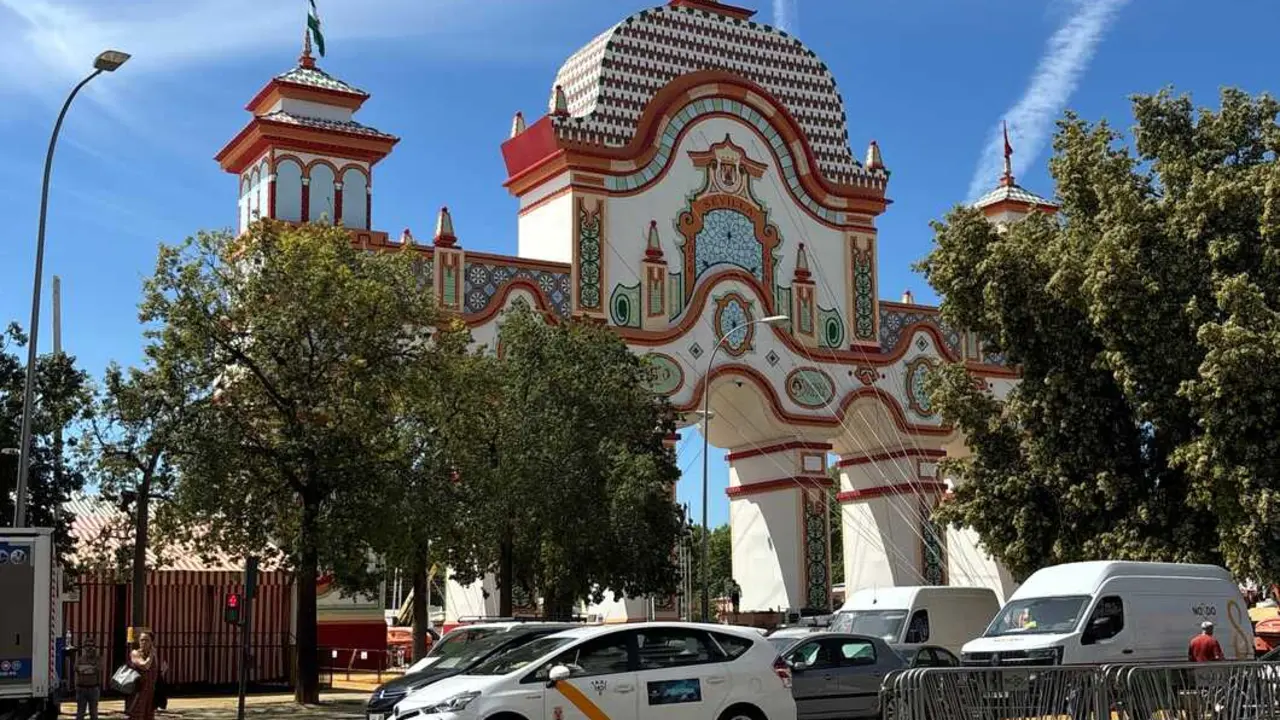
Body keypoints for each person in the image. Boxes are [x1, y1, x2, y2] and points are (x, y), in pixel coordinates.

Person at [126, 632, 166, 720]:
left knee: (149, 716)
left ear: (151, 642)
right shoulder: (135, 653)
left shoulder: (154, 655)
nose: (143, 642)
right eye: (141, 640)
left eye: (146, 640)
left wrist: (162, 671)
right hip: (138, 691)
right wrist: (152, 654)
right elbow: (145, 666)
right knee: (136, 715)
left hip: (151, 691)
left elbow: (155, 671)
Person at [74, 636, 101, 720]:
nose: (89, 648)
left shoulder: (98, 659)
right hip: (81, 689)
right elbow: (77, 669)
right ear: (84, 648)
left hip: (93, 689)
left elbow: (97, 669)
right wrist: (90, 668)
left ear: (94, 647)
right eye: (87, 646)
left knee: (94, 713)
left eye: (91, 646)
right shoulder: (80, 659)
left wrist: (84, 669)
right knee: (80, 714)